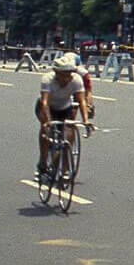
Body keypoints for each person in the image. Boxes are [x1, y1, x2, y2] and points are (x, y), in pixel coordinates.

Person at [35, 52, 94, 181]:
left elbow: (82, 101)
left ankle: (65, 170)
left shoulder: (76, 80)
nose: (66, 79)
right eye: (63, 75)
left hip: (64, 107)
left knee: (69, 134)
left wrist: (85, 120)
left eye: (69, 75)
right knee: (46, 131)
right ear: (56, 73)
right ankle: (43, 160)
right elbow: (45, 102)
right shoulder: (48, 79)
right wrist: (48, 122)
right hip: (47, 107)